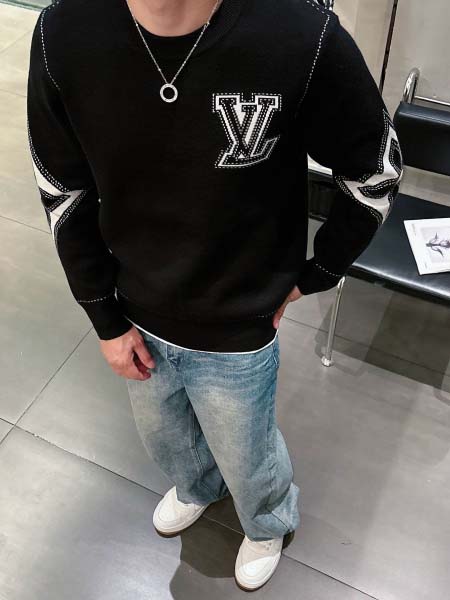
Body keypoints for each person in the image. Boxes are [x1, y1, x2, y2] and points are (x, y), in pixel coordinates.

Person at [26, 0, 403, 591]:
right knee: (166, 437)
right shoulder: (63, 32)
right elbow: (62, 187)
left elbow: (375, 169)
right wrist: (103, 316)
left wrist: (319, 270)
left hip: (241, 318)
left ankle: (268, 520)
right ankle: (199, 485)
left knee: (246, 449)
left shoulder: (301, 34)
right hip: (135, 308)